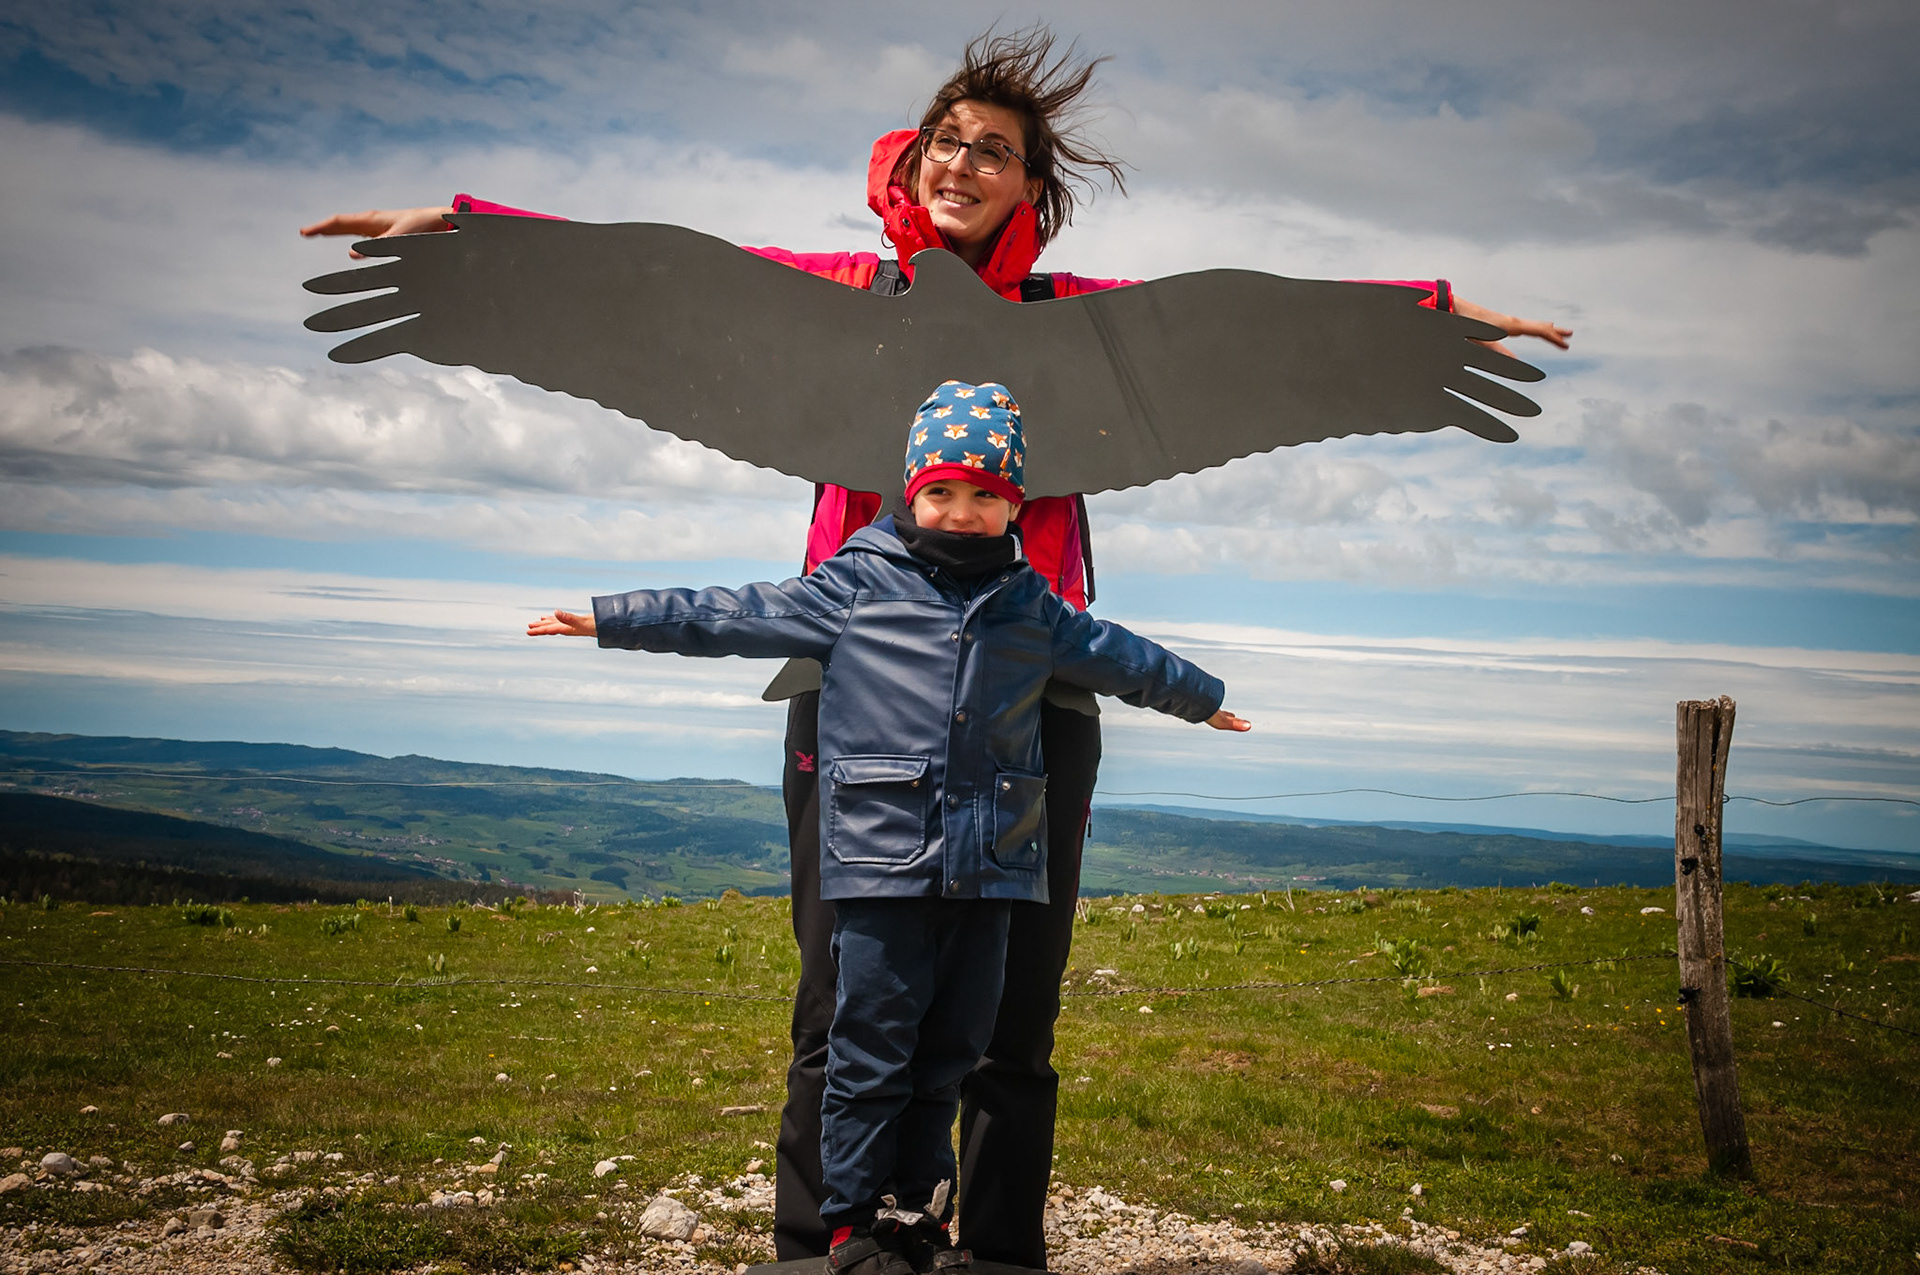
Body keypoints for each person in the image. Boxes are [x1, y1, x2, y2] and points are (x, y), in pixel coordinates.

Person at [303, 28, 1573, 1266]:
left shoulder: (1079, 318)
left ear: (1033, 185)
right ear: (910, 164)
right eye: (944, 143)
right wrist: (470, 240)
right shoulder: (841, 293)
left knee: (1014, 1010)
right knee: (842, 1004)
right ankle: (829, 1250)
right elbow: (651, 278)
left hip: (1036, 697)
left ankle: (996, 1251)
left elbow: (1259, 328)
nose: (962, 164)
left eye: (994, 150)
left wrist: (1429, 317)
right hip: (852, 696)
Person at [529, 380, 1249, 1275]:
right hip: (881, 866)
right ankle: (847, 1229)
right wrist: (611, 617)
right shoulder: (855, 583)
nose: (963, 509)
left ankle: (916, 1219)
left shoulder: (1030, 602)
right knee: (869, 1052)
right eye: (943, 489)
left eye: (986, 494)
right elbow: (735, 612)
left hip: (989, 872)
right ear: (910, 492)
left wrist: (1205, 698)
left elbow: (1120, 657)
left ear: (1014, 504)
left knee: (949, 1054)